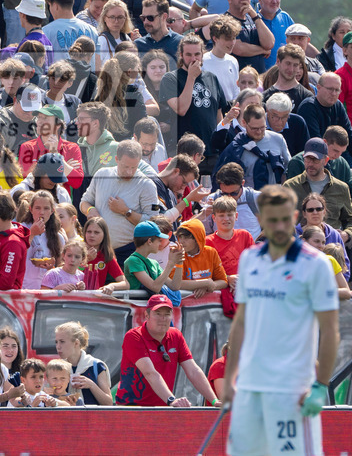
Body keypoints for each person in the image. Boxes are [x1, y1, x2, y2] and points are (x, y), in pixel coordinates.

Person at [220, 185, 340, 456]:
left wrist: (321, 386)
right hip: (250, 386)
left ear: (295, 217)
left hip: (292, 388)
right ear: (261, 220)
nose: (280, 226)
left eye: (285, 219)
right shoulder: (250, 260)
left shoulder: (316, 264)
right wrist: (229, 381)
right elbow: (241, 322)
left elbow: (330, 330)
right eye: (272, 220)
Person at [116, 294, 218, 407]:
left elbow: (193, 370)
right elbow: (150, 373)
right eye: (158, 314)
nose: (163, 319)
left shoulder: (176, 335)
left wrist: (214, 401)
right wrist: (171, 400)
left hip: (162, 408)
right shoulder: (134, 336)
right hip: (131, 408)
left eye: (167, 314)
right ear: (147, 315)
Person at [161, 34, 227, 168]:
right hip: (186, 153)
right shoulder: (171, 79)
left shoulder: (212, 78)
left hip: (211, 151)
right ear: (181, 55)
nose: (193, 59)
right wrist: (191, 77)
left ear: (202, 54)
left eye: (197, 54)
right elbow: (181, 109)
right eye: (188, 55)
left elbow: (218, 113)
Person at [284, 138, 352, 231]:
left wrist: (346, 235)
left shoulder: (341, 188)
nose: (310, 164)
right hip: (301, 241)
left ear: (326, 160)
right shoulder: (290, 186)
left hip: (331, 242)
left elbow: (349, 220)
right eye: (307, 159)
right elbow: (280, 218)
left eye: (316, 160)